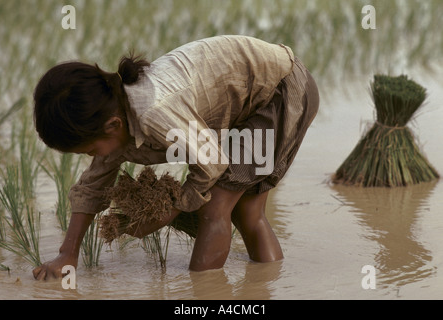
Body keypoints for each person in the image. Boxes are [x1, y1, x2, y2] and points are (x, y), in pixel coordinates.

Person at [32, 35, 319, 280]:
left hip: (280, 91)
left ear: (113, 125)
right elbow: (92, 185)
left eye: (91, 150)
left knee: (215, 208)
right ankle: (267, 284)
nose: (94, 157)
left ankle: (203, 299)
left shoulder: (154, 112)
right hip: (247, 102)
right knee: (246, 212)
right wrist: (67, 255)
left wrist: (170, 210)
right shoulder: (114, 116)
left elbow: (212, 162)